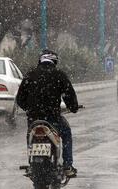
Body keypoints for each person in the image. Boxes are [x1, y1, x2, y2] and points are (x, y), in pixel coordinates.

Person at [16, 49, 79, 178]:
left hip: (34, 118)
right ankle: (67, 165)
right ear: (54, 61)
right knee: (66, 133)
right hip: (52, 118)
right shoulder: (59, 75)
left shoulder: (30, 75)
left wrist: (29, 109)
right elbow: (69, 95)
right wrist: (73, 107)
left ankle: (31, 160)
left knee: (30, 137)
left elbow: (20, 98)